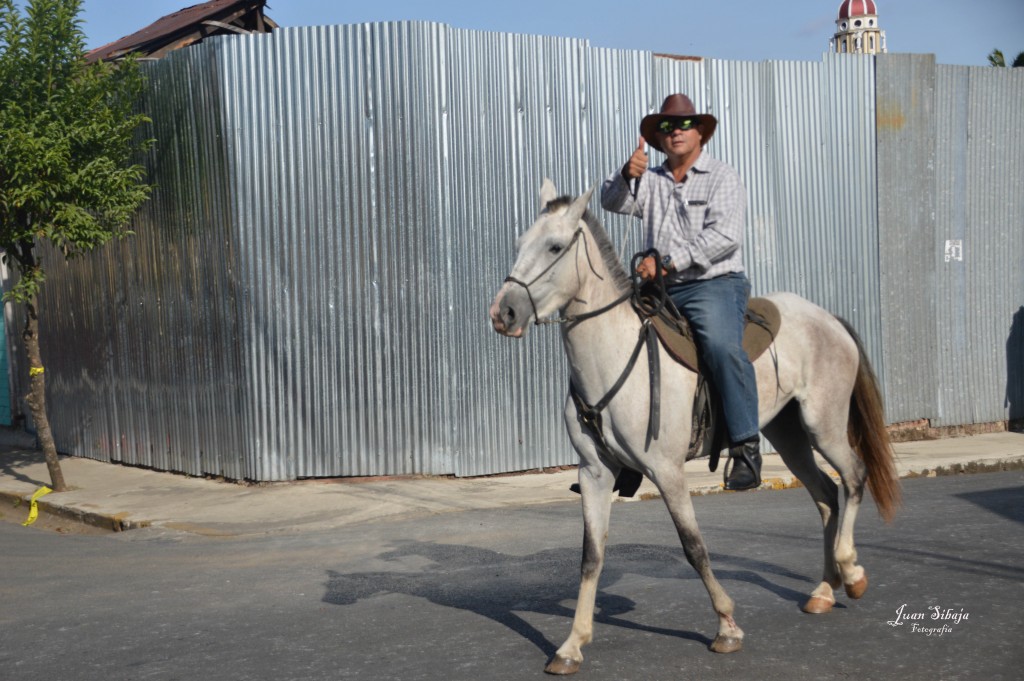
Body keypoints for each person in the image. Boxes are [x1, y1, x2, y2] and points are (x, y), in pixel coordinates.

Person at [600, 93, 762, 491]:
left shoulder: (722, 176)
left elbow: (724, 237)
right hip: (662, 291)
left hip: (714, 284)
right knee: (621, 344)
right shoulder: (649, 179)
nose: (675, 133)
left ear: (700, 133)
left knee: (722, 347)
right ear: (659, 138)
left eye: (684, 125)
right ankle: (630, 455)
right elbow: (610, 201)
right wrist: (626, 173)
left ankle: (746, 447)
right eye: (667, 127)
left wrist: (666, 262)